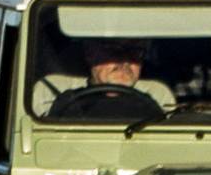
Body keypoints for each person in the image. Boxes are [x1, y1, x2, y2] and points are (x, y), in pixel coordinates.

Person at [33, 41, 175, 119]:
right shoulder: (54, 92)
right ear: (90, 55)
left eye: (134, 52)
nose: (125, 61)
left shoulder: (157, 95)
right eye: (113, 51)